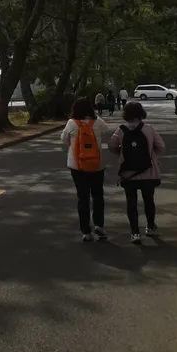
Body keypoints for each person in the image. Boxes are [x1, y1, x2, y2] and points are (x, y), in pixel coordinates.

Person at [108, 100, 166, 243]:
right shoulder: (149, 129)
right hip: (148, 171)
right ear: (141, 113)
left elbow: (111, 146)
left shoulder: (121, 130)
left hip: (128, 173)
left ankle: (135, 233)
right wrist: (151, 156)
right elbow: (161, 147)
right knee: (148, 200)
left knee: (131, 203)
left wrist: (122, 154)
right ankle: (150, 226)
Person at [60, 96, 113, 242]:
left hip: (77, 166)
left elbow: (62, 138)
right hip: (97, 165)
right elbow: (106, 131)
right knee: (98, 195)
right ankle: (99, 224)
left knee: (82, 197)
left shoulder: (72, 123)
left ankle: (85, 231)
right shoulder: (97, 122)